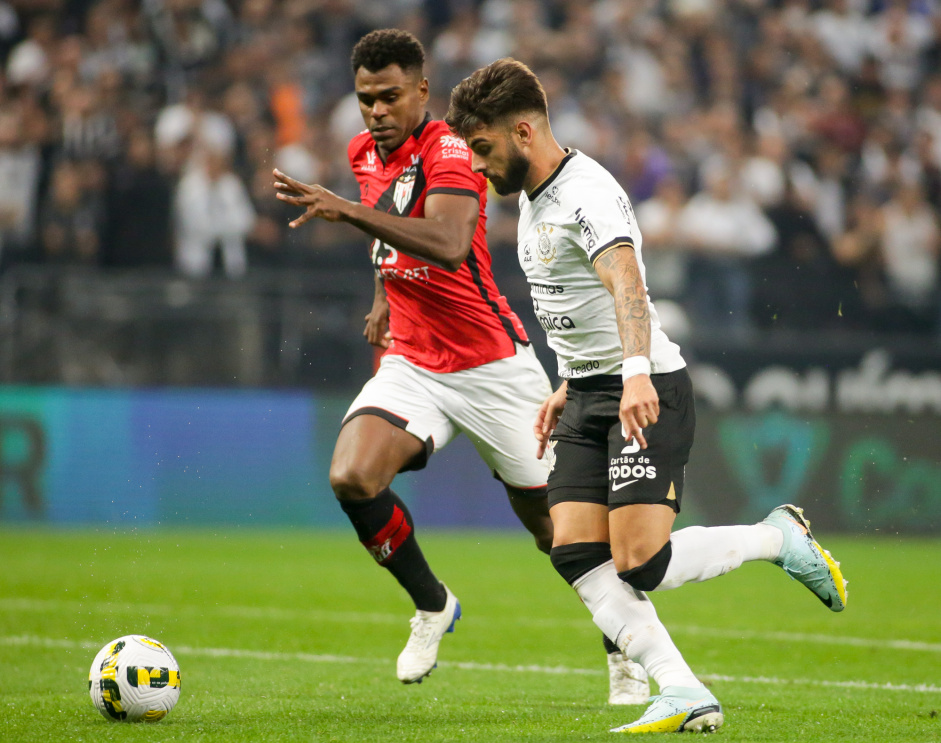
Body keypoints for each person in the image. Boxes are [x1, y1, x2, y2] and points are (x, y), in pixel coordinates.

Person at [446, 58, 848, 734]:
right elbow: (575, 302)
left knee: (641, 563)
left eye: (482, 148)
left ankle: (774, 537)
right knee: (572, 548)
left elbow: (627, 286)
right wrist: (569, 382)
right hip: (588, 391)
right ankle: (681, 687)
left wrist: (633, 372)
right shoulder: (531, 196)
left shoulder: (586, 193)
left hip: (646, 384)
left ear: (522, 130)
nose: (477, 165)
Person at [273, 30, 647, 702]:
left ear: (421, 90)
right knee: (352, 475)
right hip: (413, 360)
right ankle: (432, 604)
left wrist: (347, 213)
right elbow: (391, 225)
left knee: (560, 533)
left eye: (389, 96)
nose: (376, 111)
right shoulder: (363, 152)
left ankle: (624, 648)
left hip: (491, 366)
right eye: (365, 99)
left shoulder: (449, 150)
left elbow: (446, 242)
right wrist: (384, 292)